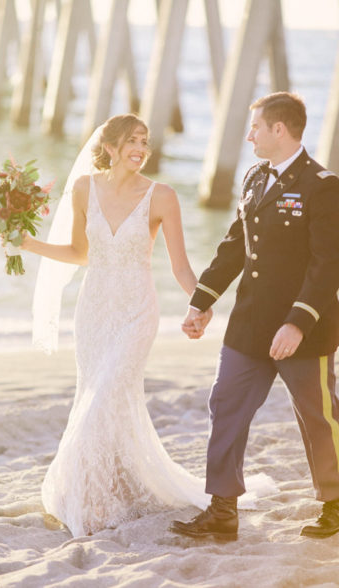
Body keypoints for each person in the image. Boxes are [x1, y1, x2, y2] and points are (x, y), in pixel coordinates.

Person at [20, 113, 213, 536]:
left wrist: (201, 303)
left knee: (101, 401)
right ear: (109, 147)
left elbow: (181, 267)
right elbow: (79, 252)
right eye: (132, 140)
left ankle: (89, 502)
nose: (141, 148)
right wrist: (30, 245)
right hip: (93, 313)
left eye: (145, 140)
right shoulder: (85, 188)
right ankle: (116, 487)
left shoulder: (162, 196)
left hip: (136, 312)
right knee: (103, 400)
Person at [170, 92, 339, 540]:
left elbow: (328, 266)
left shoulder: (323, 185)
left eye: (256, 128)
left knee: (319, 417)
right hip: (248, 325)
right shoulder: (254, 178)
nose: (249, 137)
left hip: (304, 331)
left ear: (279, 130)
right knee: (226, 406)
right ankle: (223, 510)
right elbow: (234, 247)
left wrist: (297, 322)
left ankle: (336, 503)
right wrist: (202, 300)